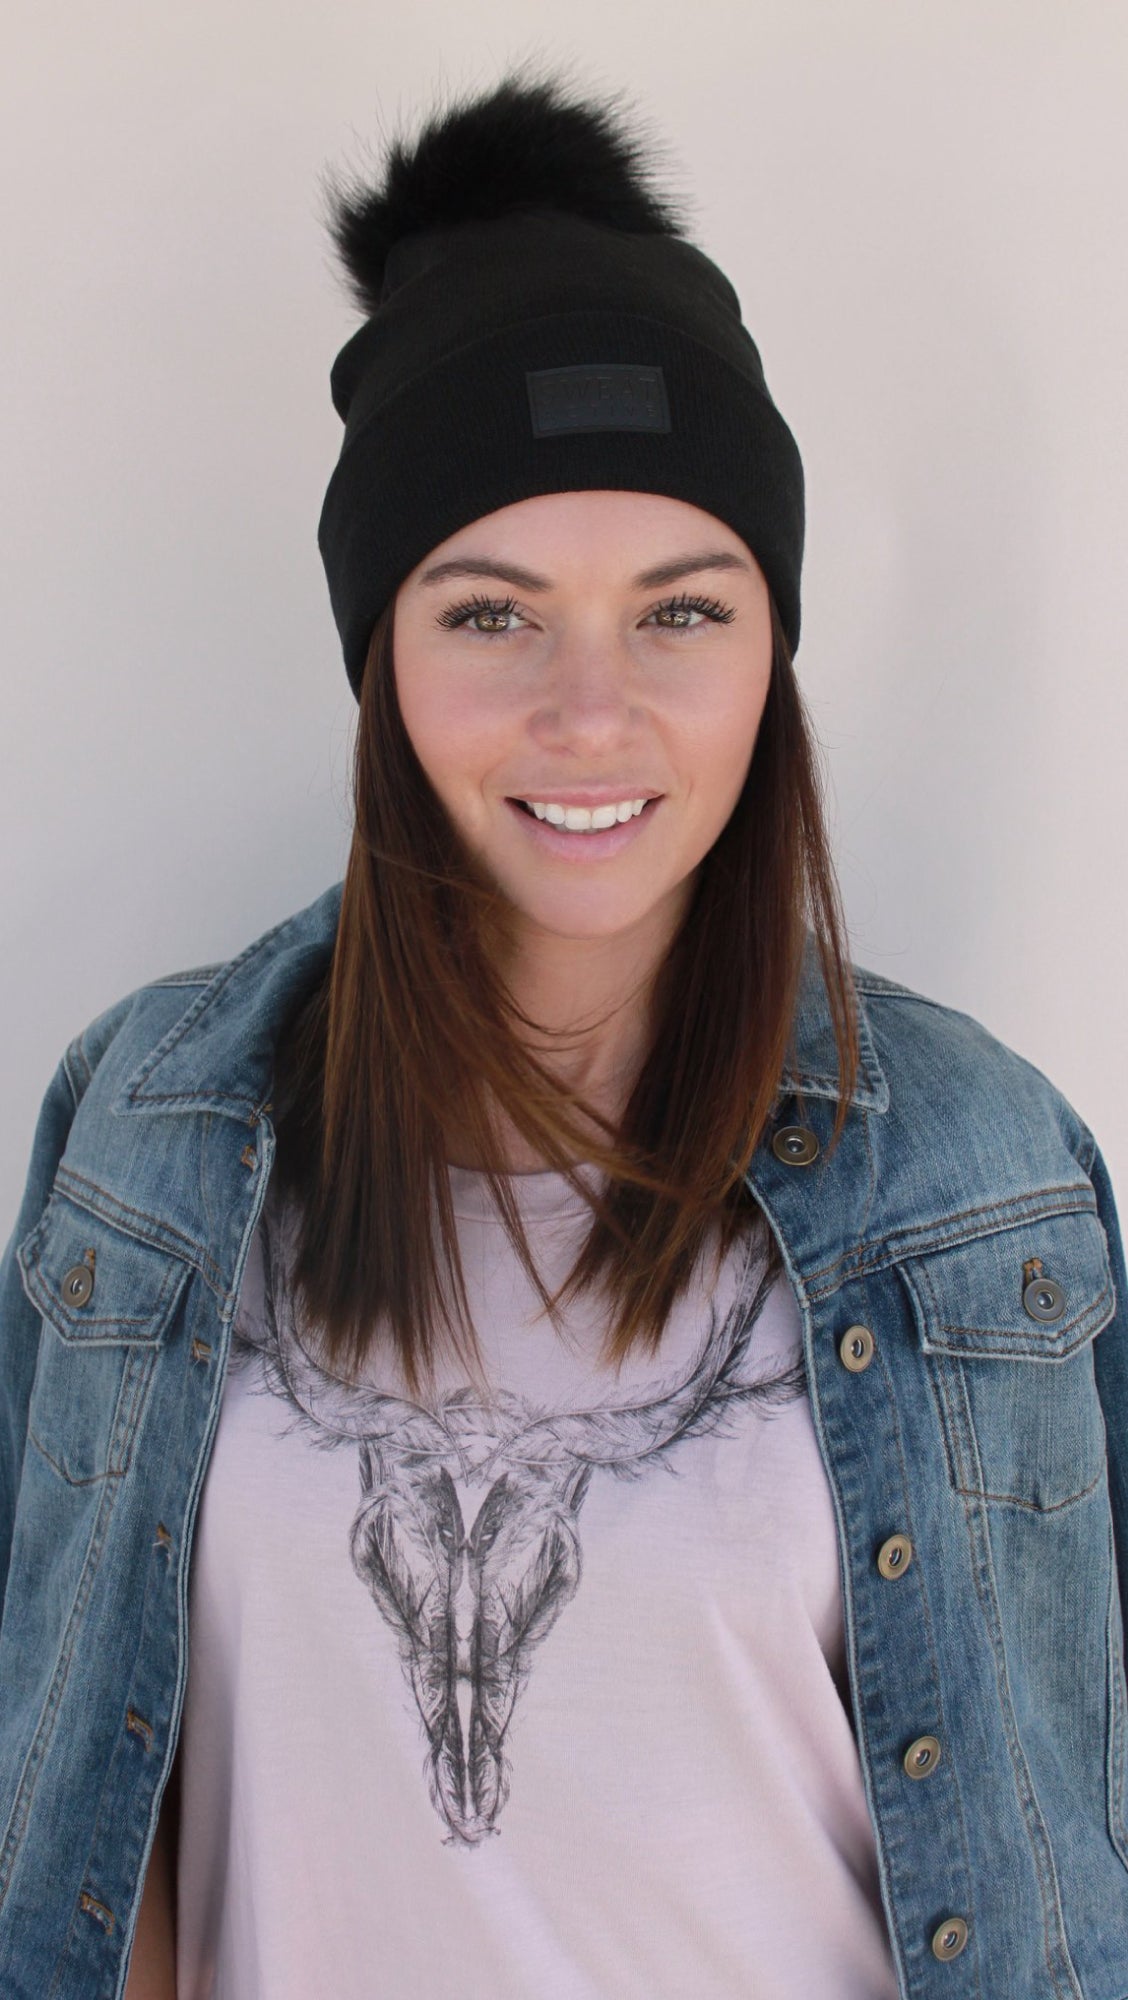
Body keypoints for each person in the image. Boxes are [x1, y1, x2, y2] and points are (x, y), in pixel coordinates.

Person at [1, 61, 1126, 2000]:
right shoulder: (151, 1146)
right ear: (379, 657)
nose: (590, 715)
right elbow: (102, 1833)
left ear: (772, 651)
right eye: (491, 613)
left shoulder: (983, 1181)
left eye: (681, 613)